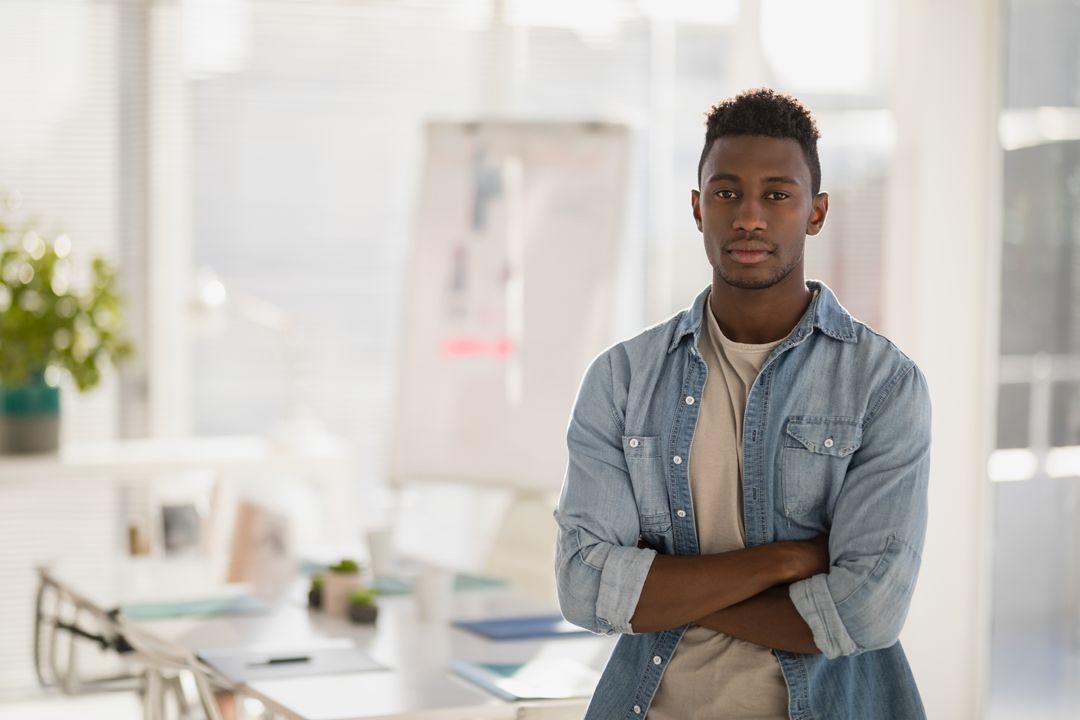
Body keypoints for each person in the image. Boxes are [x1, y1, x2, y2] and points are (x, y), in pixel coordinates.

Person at [554, 88, 931, 719]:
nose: (749, 217)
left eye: (777, 194)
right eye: (727, 193)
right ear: (699, 209)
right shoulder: (621, 380)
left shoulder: (883, 385)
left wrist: (660, 589)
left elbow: (867, 612)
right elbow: (584, 588)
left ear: (816, 212)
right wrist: (786, 560)